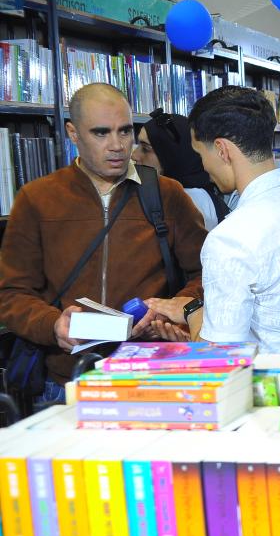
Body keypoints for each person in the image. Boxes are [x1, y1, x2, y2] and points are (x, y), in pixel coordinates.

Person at [0, 83, 206, 401]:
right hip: (65, 380)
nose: (117, 145)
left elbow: (207, 273)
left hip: (150, 371)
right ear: (73, 133)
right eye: (101, 133)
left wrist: (172, 309)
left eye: (125, 131)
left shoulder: (167, 194)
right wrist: (53, 325)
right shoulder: (37, 199)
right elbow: (11, 292)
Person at [145, 86, 280, 353]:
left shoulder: (230, 238)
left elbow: (218, 356)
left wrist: (192, 311)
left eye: (200, 154)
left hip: (266, 377)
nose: (203, 167)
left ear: (222, 150)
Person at [132, 108, 231, 230]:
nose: (134, 155)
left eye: (145, 149)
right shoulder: (196, 195)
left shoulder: (189, 201)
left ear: (172, 156)